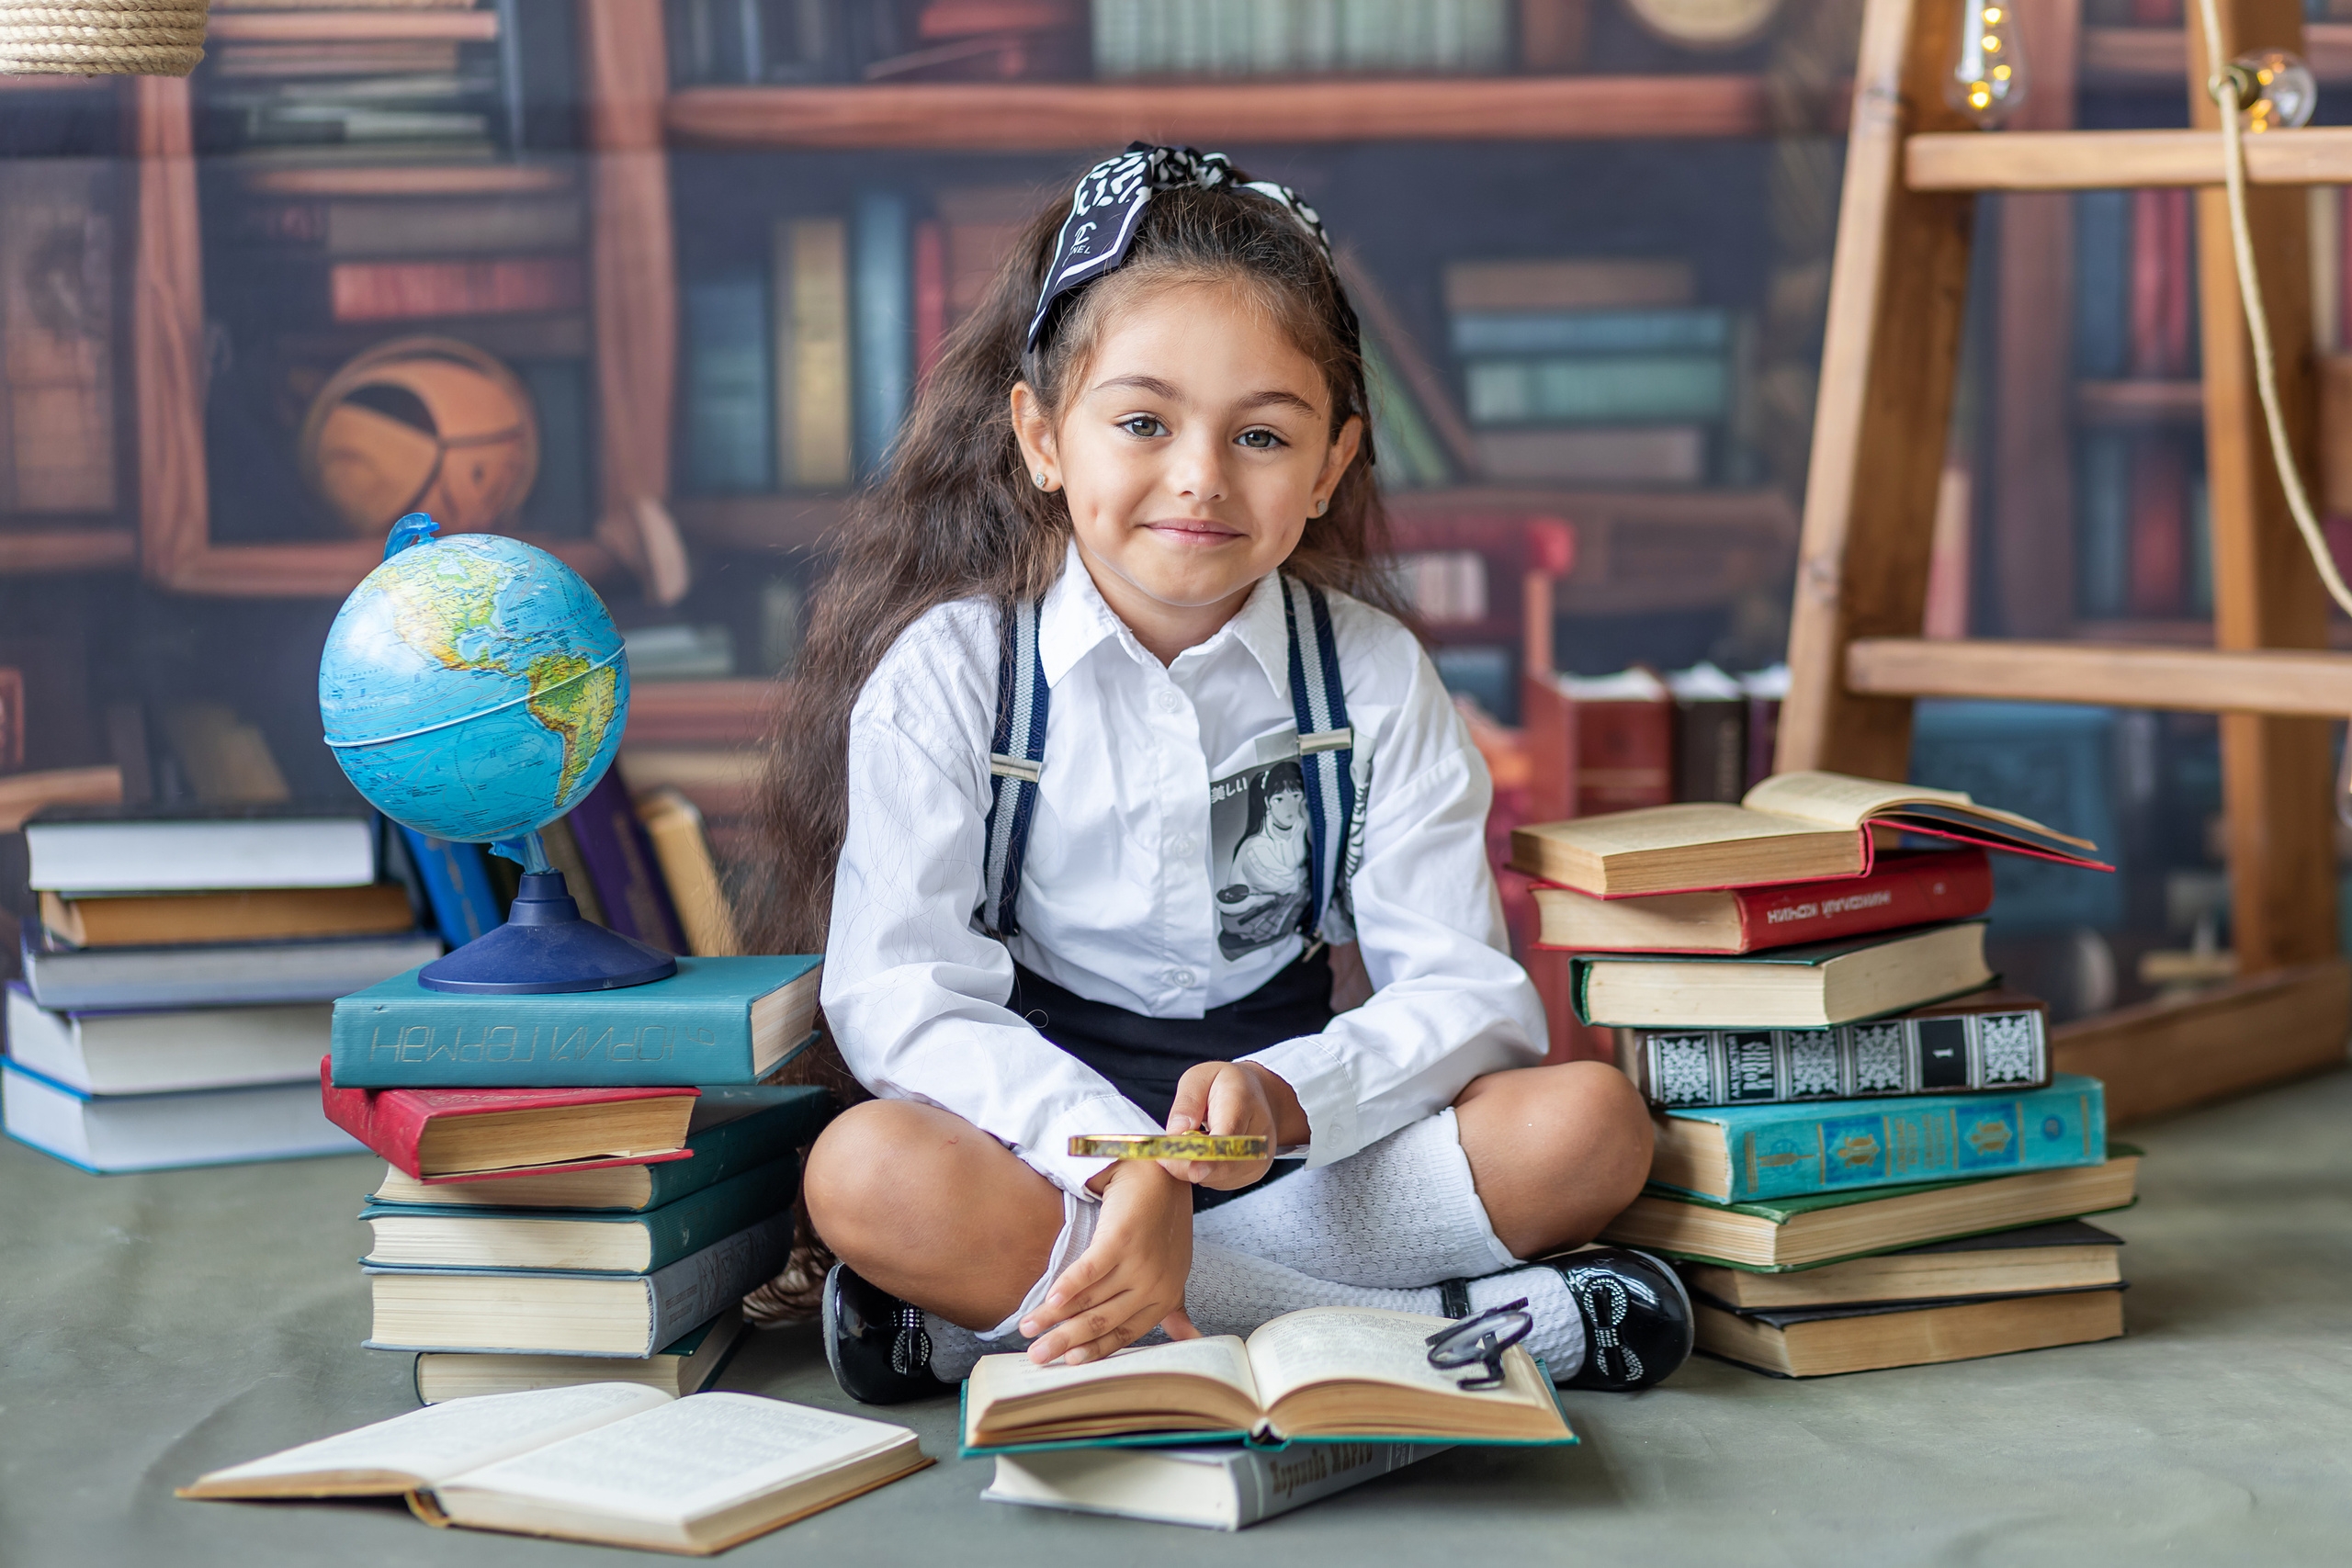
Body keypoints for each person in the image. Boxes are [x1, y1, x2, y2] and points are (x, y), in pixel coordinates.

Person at [751, 145, 1692, 1402]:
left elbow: (1468, 994)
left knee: (1590, 1125)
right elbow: (902, 998)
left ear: (1331, 467)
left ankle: (1009, 1328)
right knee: (864, 1170)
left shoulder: (1369, 674)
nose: (1199, 476)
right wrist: (1123, 1162)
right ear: (1041, 434)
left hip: (1300, 1151)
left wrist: (1281, 1098)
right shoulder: (955, 670)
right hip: (1039, 1151)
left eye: (1260, 435)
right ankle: (1477, 1323)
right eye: (1142, 423)